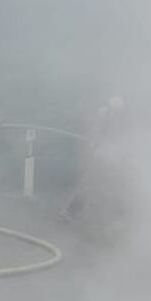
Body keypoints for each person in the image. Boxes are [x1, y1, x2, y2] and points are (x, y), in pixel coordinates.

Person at [58, 95, 129, 223]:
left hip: (110, 156)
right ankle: (71, 213)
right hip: (101, 156)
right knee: (88, 184)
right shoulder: (104, 117)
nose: (116, 113)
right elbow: (95, 134)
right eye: (115, 110)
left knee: (113, 185)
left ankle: (117, 217)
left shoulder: (116, 120)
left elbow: (119, 138)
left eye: (118, 111)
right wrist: (96, 149)